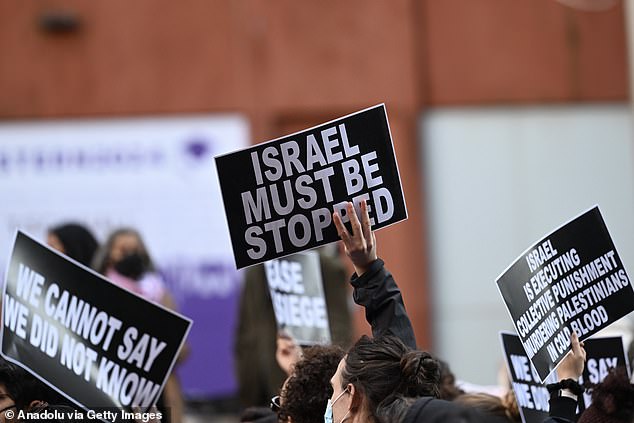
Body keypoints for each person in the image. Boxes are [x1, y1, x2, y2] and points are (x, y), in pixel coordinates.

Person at [234, 248, 353, 408]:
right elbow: (246, 328)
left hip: (306, 391)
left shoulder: (326, 266)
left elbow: (340, 335)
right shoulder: (255, 269)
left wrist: (314, 378)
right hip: (257, 389)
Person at [92, 228, 185, 423]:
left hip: (158, 393)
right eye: (123, 250)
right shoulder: (98, 292)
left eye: (135, 250)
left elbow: (182, 349)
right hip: (113, 390)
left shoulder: (159, 292)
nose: (130, 256)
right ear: (108, 255)